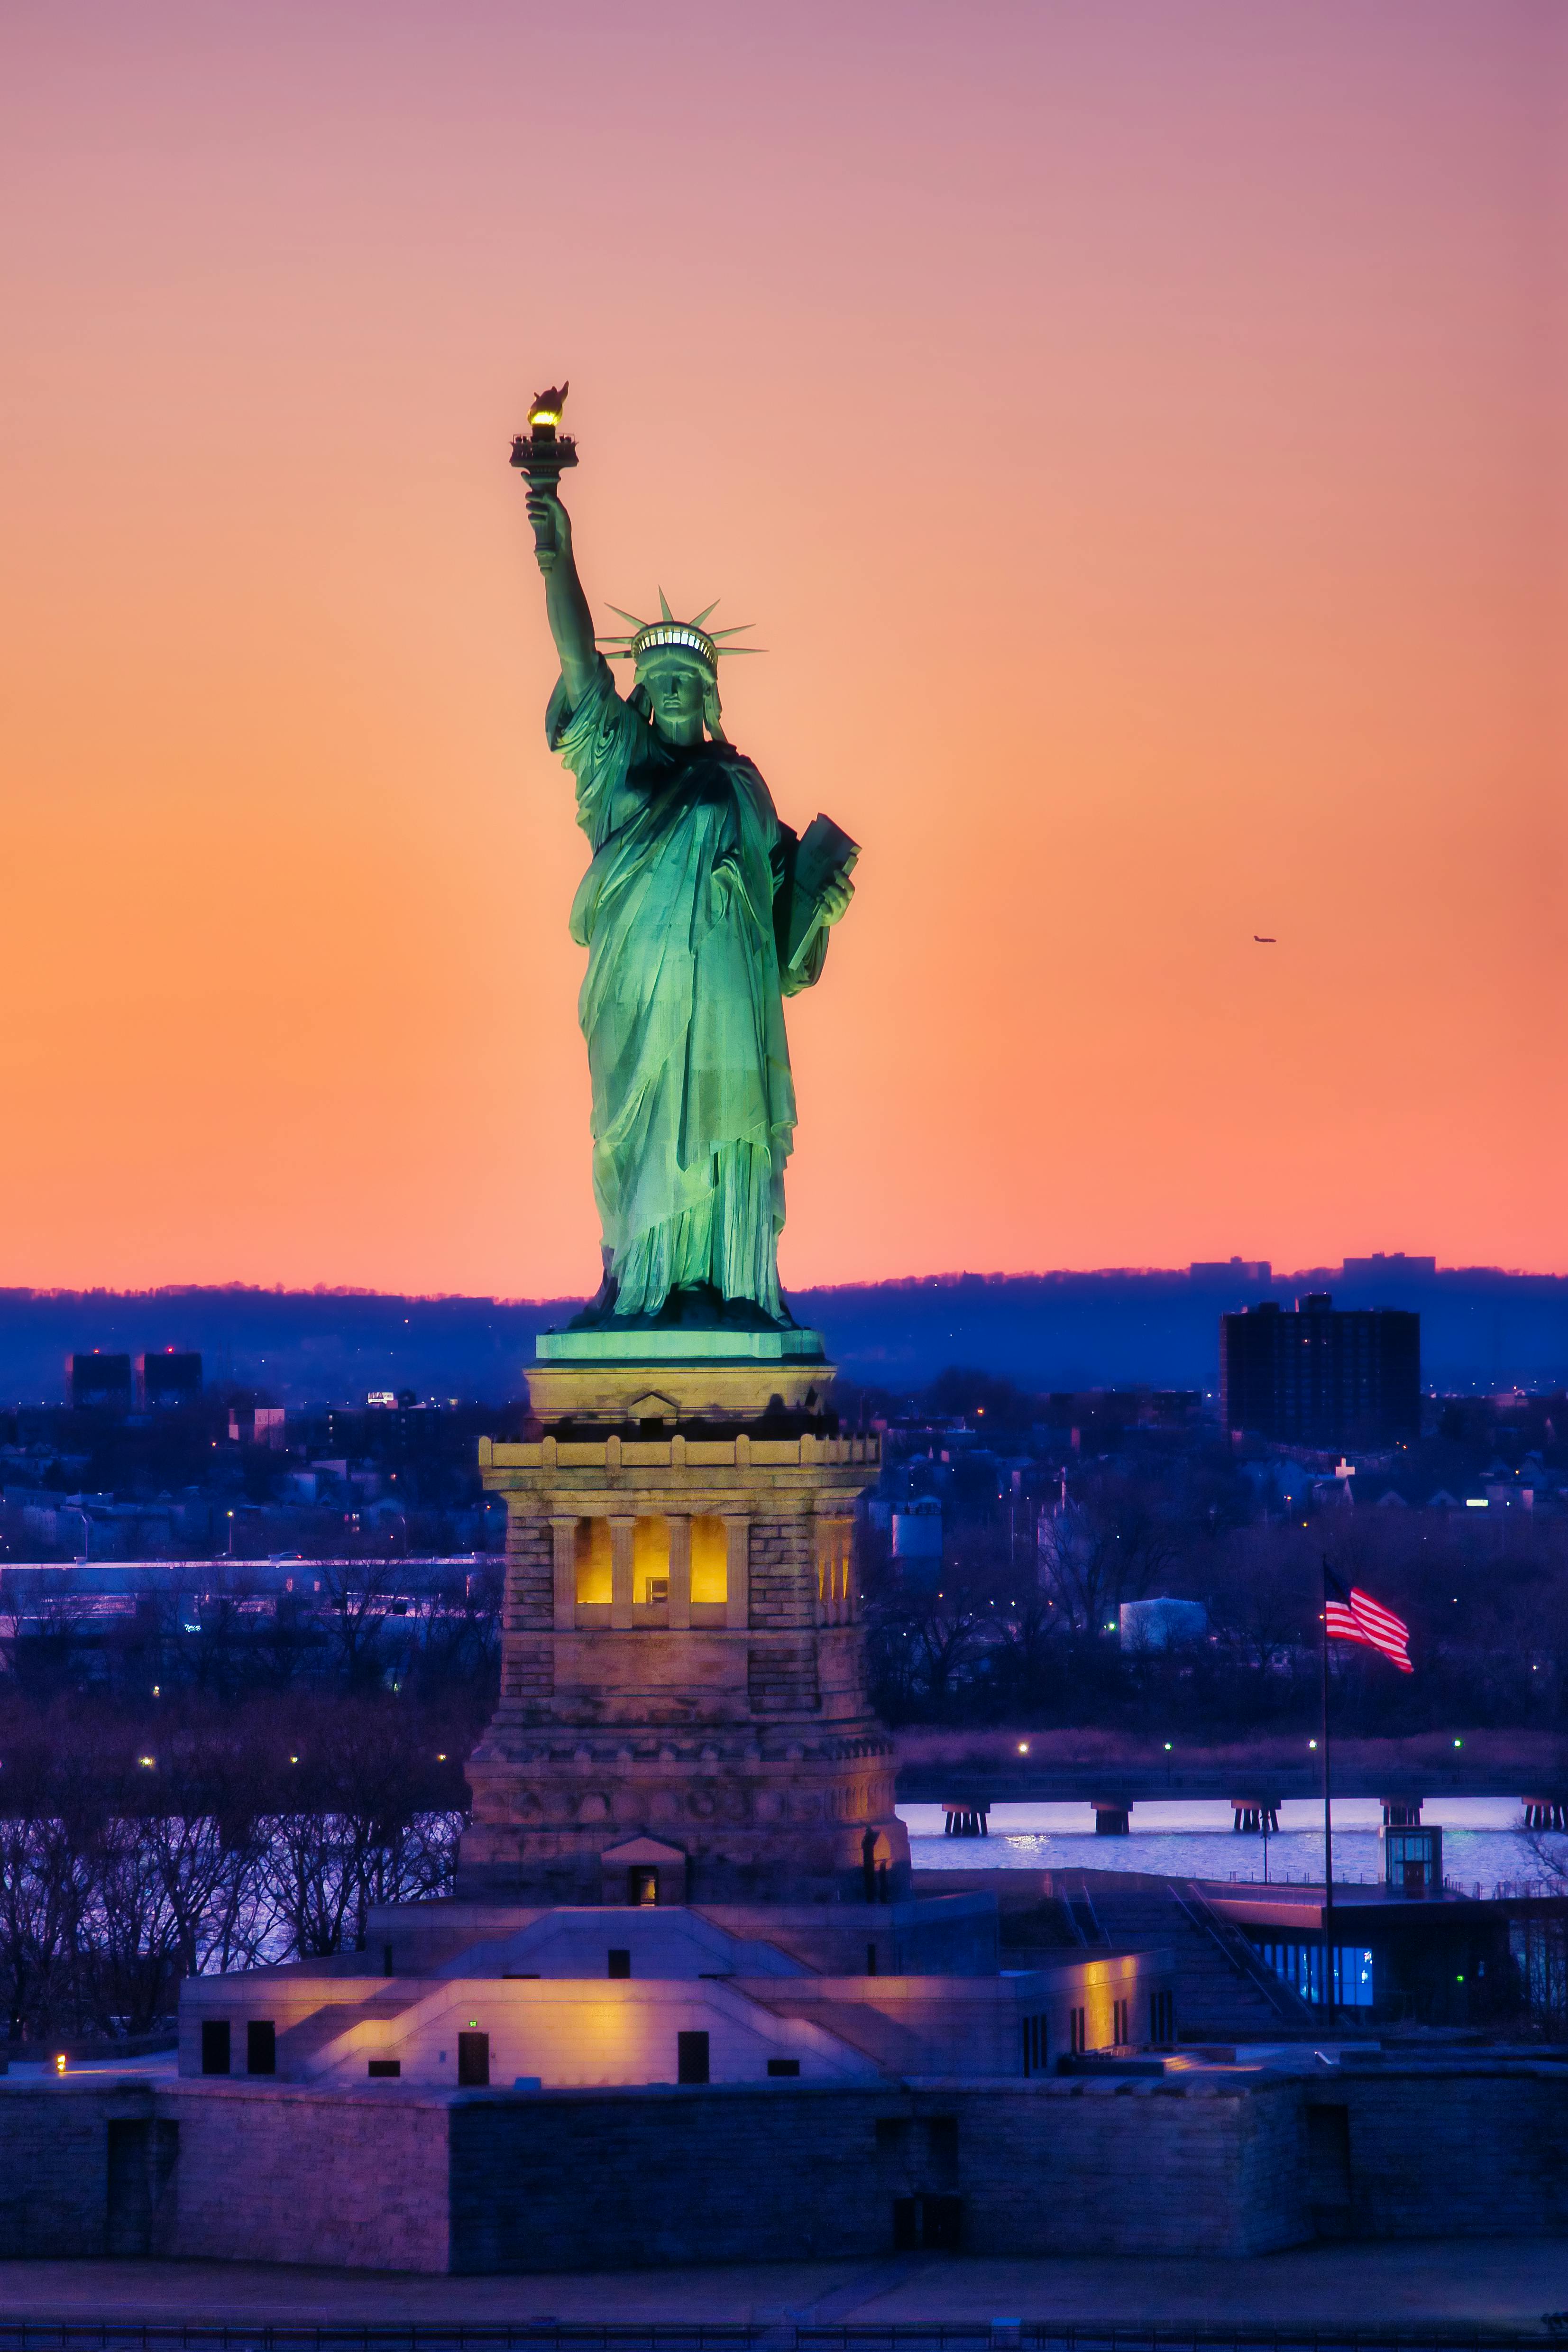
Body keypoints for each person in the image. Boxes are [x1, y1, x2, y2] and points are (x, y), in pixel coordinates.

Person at [525, 482, 853, 1328]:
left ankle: (729, 1283)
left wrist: (821, 902)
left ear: (711, 695)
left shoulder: (743, 787)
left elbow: (784, 943)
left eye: (687, 678)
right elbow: (576, 664)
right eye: (659, 675)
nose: (672, 688)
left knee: (727, 1128)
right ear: (641, 691)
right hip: (640, 994)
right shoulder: (618, 762)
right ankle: (640, 1280)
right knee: (631, 1138)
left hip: (730, 1008)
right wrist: (555, 550)